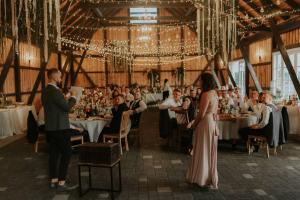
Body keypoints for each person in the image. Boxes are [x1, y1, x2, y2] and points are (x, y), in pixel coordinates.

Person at [41, 68, 77, 191]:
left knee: (54, 154)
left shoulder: (46, 91)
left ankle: (53, 180)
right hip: (60, 128)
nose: (61, 79)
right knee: (67, 153)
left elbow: (56, 105)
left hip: (51, 128)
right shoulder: (55, 92)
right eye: (60, 76)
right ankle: (62, 181)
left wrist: (65, 97)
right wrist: (74, 98)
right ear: (54, 77)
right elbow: (66, 107)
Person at [186, 72, 219, 189]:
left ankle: (202, 178)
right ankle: (208, 177)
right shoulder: (215, 93)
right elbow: (216, 111)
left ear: (205, 81)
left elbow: (201, 114)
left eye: (200, 80)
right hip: (212, 123)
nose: (199, 82)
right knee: (209, 150)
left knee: (203, 150)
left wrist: (194, 124)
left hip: (205, 123)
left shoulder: (205, 94)